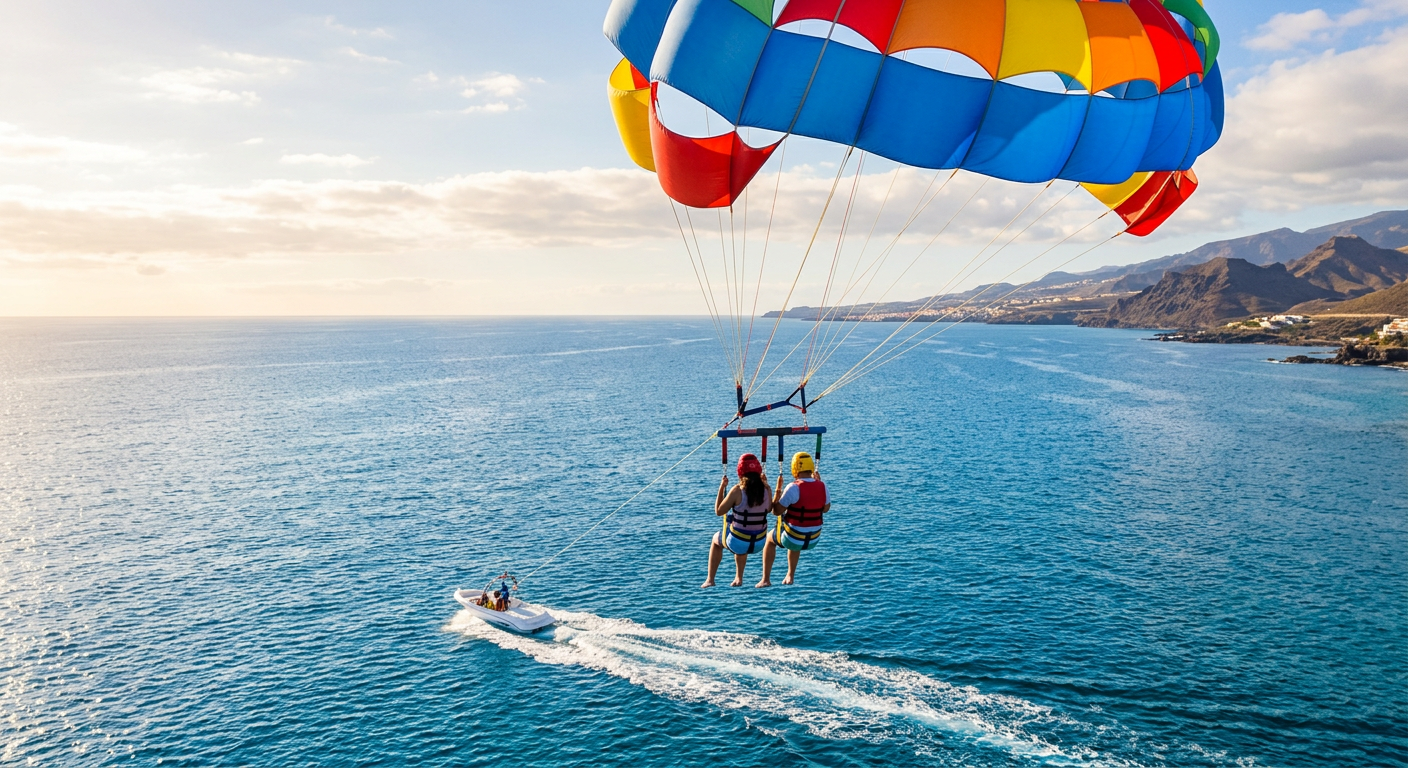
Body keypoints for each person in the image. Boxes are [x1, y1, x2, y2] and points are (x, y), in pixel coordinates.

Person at [757, 452, 829, 587]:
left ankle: (765, 579)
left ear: (794, 469)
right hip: (814, 538)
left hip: (793, 536)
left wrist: (778, 488)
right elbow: (826, 509)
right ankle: (790, 575)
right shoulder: (822, 486)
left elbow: (776, 511)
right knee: (795, 532)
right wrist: (818, 482)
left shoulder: (793, 487)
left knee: (770, 539)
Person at [702, 453, 772, 588]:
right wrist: (767, 484)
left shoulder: (737, 491)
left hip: (737, 542)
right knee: (743, 536)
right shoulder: (765, 489)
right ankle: (738, 577)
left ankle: (710, 579)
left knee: (717, 540)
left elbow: (718, 511)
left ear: (740, 471)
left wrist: (722, 487)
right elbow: (769, 509)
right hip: (759, 542)